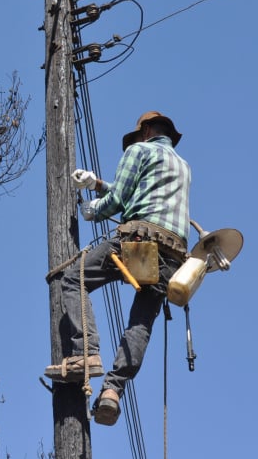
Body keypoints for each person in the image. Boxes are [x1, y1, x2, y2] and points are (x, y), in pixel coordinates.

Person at [44, 111, 191, 426]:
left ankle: (85, 352)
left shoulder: (139, 150)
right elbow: (140, 196)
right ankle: (112, 392)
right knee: (140, 323)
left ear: (147, 130)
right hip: (173, 258)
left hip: (140, 243)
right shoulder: (183, 166)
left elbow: (120, 200)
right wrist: (97, 183)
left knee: (74, 278)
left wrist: (93, 209)